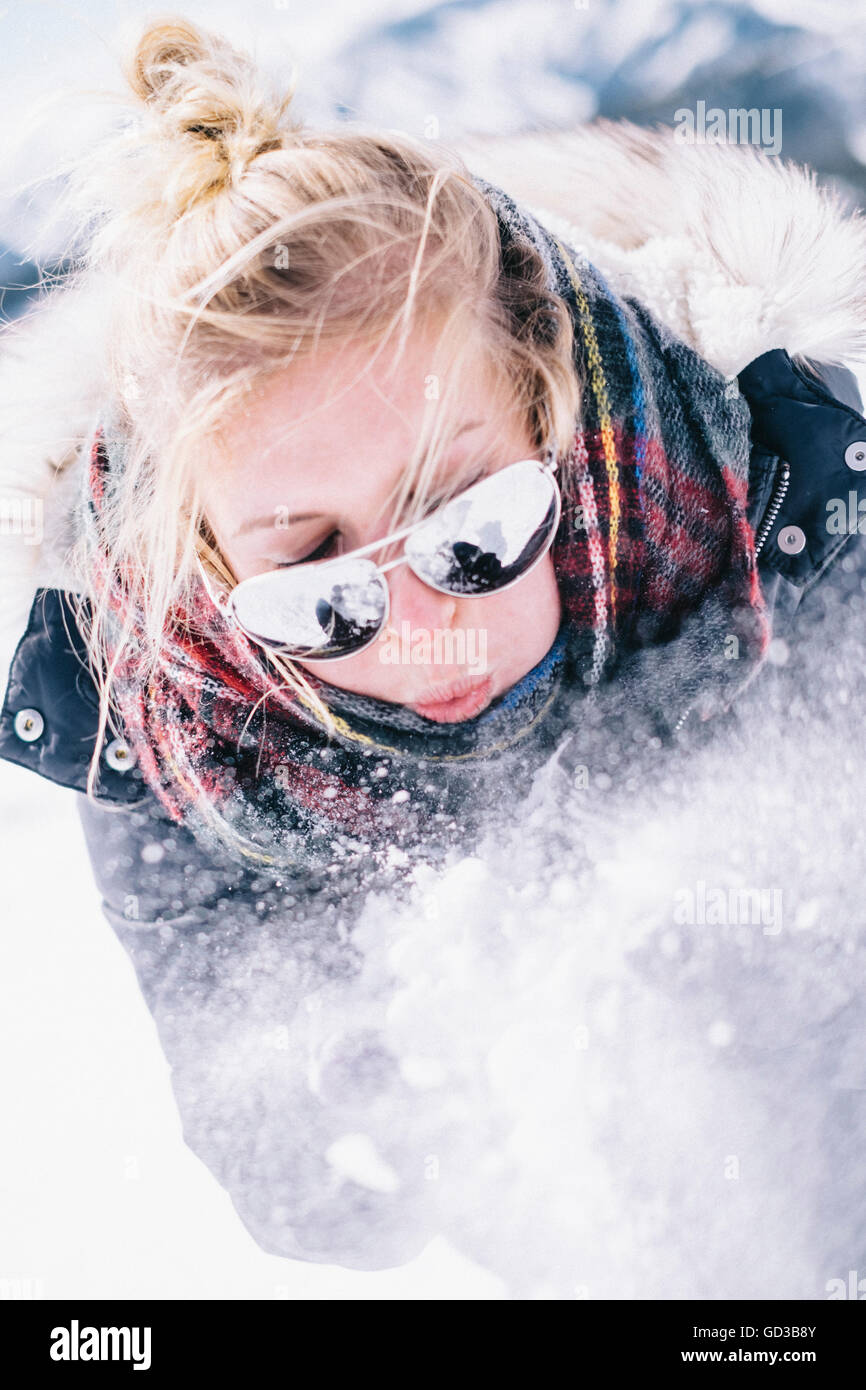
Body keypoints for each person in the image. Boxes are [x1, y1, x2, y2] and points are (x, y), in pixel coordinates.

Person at [1, 17, 865, 1271]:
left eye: (471, 532)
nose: (419, 632)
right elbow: (293, 1174)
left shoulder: (797, 516)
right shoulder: (170, 720)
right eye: (319, 592)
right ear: (206, 572)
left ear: (547, 408)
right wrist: (407, 1056)